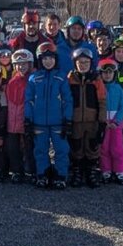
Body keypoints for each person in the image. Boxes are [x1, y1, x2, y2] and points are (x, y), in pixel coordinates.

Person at [25, 43, 73, 190]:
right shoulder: (34, 78)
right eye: (45, 59)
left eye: (51, 58)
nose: (48, 61)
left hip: (58, 121)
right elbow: (29, 100)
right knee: (40, 149)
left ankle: (60, 175)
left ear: (56, 59)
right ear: (40, 60)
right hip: (39, 122)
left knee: (61, 149)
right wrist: (28, 120)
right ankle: (43, 174)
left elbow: (67, 99)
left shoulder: (61, 77)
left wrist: (68, 119)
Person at [66, 47, 106, 188]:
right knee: (76, 146)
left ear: (91, 63)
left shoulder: (96, 79)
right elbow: (66, 100)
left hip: (92, 120)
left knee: (92, 146)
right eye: (80, 62)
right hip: (75, 120)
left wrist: (102, 121)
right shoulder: (70, 79)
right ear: (75, 63)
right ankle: (77, 171)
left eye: (86, 62)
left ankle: (90, 171)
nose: (83, 65)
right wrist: (67, 119)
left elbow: (102, 101)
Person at [5, 49, 36, 183]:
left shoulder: (34, 80)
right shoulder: (12, 81)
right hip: (12, 122)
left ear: (30, 64)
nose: (21, 67)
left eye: (24, 63)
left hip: (27, 121)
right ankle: (17, 171)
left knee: (30, 148)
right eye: (18, 64)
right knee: (13, 148)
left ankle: (32, 171)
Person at [97, 58, 123, 185]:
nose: (108, 75)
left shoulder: (118, 88)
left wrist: (117, 120)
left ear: (114, 74)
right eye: (105, 73)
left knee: (117, 148)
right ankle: (106, 170)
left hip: (116, 124)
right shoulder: (99, 88)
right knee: (104, 148)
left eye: (110, 72)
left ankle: (120, 170)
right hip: (104, 123)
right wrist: (102, 121)